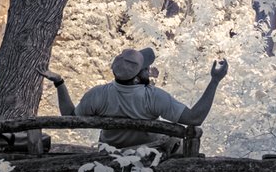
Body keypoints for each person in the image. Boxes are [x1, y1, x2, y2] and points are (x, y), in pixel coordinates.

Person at [39, 47, 228, 154]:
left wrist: (60, 83)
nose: (149, 71)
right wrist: (215, 80)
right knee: (185, 149)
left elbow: (70, 118)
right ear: (138, 77)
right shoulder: (153, 96)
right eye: (146, 68)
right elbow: (195, 118)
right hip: (148, 154)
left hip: (111, 154)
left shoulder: (99, 94)